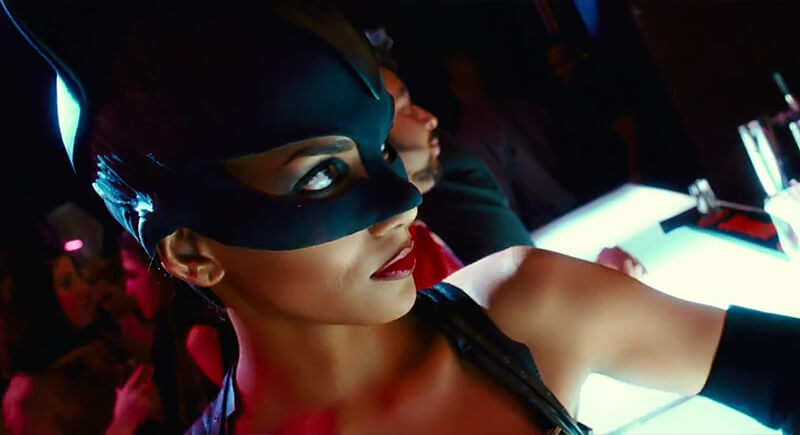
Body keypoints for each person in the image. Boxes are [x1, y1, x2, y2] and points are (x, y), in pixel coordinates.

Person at [4, 2, 798, 434]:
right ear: (191, 252)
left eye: (380, 150)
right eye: (322, 174)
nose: (402, 201)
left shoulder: (529, 309)